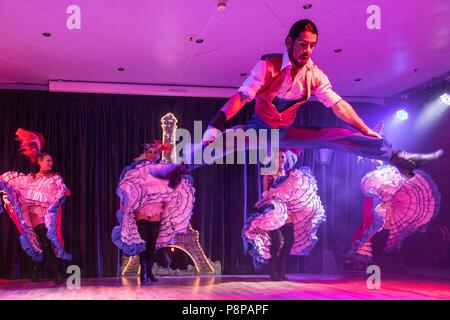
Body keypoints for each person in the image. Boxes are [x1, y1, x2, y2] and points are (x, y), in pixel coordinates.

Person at [152, 19, 443, 186]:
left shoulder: (314, 76)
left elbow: (338, 105)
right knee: (221, 142)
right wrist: (216, 122)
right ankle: (179, 169)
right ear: (289, 41)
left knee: (337, 135)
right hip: (260, 130)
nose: (307, 50)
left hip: (288, 133)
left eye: (312, 45)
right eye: (303, 44)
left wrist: (366, 129)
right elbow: (243, 96)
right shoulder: (267, 66)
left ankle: (395, 157)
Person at [111, 141, 195, 283]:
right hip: (142, 207)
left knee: (152, 243)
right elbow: (128, 181)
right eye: (150, 152)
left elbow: (173, 181)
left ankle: (149, 271)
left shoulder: (163, 168)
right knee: (144, 241)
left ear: (158, 154)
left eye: (155, 152)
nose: (153, 155)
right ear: (145, 152)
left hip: (157, 207)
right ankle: (143, 272)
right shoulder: (138, 168)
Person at [0, 128, 71, 283]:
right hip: (34, 217)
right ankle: (58, 276)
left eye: (51, 161)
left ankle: (35, 273)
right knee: (45, 243)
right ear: (40, 162)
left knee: (45, 246)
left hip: (47, 218)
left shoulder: (55, 178)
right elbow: (14, 186)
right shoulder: (30, 179)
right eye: (48, 160)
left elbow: (63, 193)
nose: (51, 163)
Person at [243, 149, 325, 280]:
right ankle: (273, 270)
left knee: (289, 241)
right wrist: (262, 201)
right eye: (278, 157)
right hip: (274, 212)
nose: (281, 160)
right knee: (275, 242)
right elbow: (265, 194)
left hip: (287, 212)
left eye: (282, 157)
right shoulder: (268, 175)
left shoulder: (289, 175)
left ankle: (281, 269)